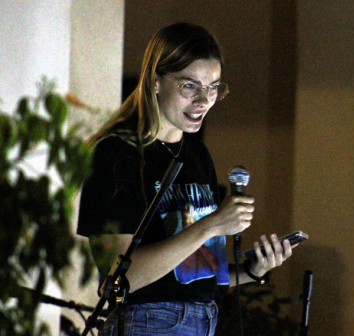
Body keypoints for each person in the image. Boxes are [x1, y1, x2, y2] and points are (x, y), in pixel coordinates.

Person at [77, 22, 294, 336]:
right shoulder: (116, 154)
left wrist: (252, 270)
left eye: (213, 87)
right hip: (147, 322)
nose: (203, 100)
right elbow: (120, 277)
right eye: (190, 86)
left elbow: (197, 274)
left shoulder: (195, 155)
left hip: (203, 320)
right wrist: (213, 225)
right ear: (155, 82)